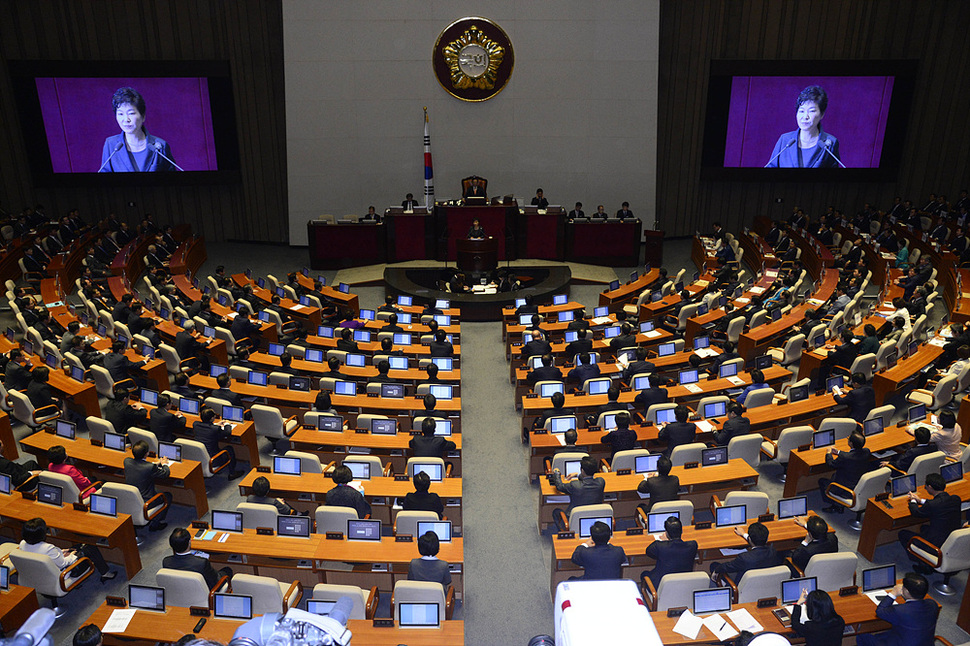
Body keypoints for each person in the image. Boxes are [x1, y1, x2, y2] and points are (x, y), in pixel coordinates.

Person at [99, 87, 177, 173]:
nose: (126, 119)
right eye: (120, 114)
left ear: (143, 116)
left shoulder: (160, 146)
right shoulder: (111, 145)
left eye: (131, 113)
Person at [765, 85, 841, 169]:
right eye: (801, 111)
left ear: (822, 114)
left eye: (811, 111)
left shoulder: (830, 143)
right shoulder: (785, 140)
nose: (805, 116)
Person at [20, 517, 115, 582]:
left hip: (40, 573)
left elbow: (44, 555)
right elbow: (63, 563)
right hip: (62, 573)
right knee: (90, 547)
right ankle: (105, 573)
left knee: (77, 546)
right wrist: (71, 555)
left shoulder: (22, 543)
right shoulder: (48, 548)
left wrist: (61, 552)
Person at [856, 573, 939, 646]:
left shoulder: (900, 611)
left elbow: (880, 611)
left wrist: (893, 593)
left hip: (900, 642)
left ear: (906, 591)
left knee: (862, 637)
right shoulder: (932, 604)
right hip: (922, 642)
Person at [897, 473, 962, 557]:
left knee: (902, 534)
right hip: (950, 539)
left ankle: (919, 560)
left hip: (935, 545)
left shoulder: (933, 505)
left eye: (926, 486)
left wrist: (913, 500)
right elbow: (937, 503)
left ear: (930, 487)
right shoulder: (956, 499)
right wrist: (920, 501)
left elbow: (916, 512)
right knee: (923, 527)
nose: (925, 488)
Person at [819, 431, 875, 512]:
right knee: (834, 475)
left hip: (845, 490)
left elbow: (831, 464)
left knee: (822, 481)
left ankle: (835, 504)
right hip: (858, 484)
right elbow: (853, 455)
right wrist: (838, 452)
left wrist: (828, 453)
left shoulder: (845, 457)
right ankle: (838, 504)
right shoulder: (867, 452)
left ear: (851, 443)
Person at [124, 440, 172, 530]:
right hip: (145, 501)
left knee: (157, 490)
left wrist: (155, 464)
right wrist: (164, 464)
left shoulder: (127, 461)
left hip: (131, 498)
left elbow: (141, 465)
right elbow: (165, 474)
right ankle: (155, 524)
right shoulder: (149, 468)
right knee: (168, 496)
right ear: (146, 454)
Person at [710, 521, 781, 581]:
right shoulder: (773, 552)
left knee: (714, 565)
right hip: (765, 583)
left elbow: (726, 567)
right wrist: (743, 534)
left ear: (749, 539)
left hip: (742, 587)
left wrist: (717, 570)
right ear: (767, 539)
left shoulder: (744, 558)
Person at [163, 528, 232, 589]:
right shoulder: (201, 563)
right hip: (206, 592)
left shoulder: (166, 562)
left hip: (181, 591)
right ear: (189, 542)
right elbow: (214, 581)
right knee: (227, 570)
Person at [642, 516, 698, 588]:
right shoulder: (693, 545)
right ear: (681, 531)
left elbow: (648, 551)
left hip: (662, 586)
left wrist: (665, 541)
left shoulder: (660, 546)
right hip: (684, 583)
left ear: (666, 533)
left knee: (644, 574)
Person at [192, 407, 244, 480]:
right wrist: (227, 424)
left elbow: (208, 428)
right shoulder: (214, 429)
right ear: (211, 418)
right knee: (229, 449)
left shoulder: (195, 425)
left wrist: (215, 424)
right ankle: (232, 473)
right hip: (213, 460)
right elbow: (227, 432)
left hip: (199, 457)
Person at [550, 456, 606, 522]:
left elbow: (560, 487)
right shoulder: (601, 482)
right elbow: (589, 480)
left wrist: (556, 473)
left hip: (575, 518)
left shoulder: (575, 485)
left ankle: (565, 530)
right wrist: (577, 475)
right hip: (593, 516)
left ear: (582, 470)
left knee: (556, 512)